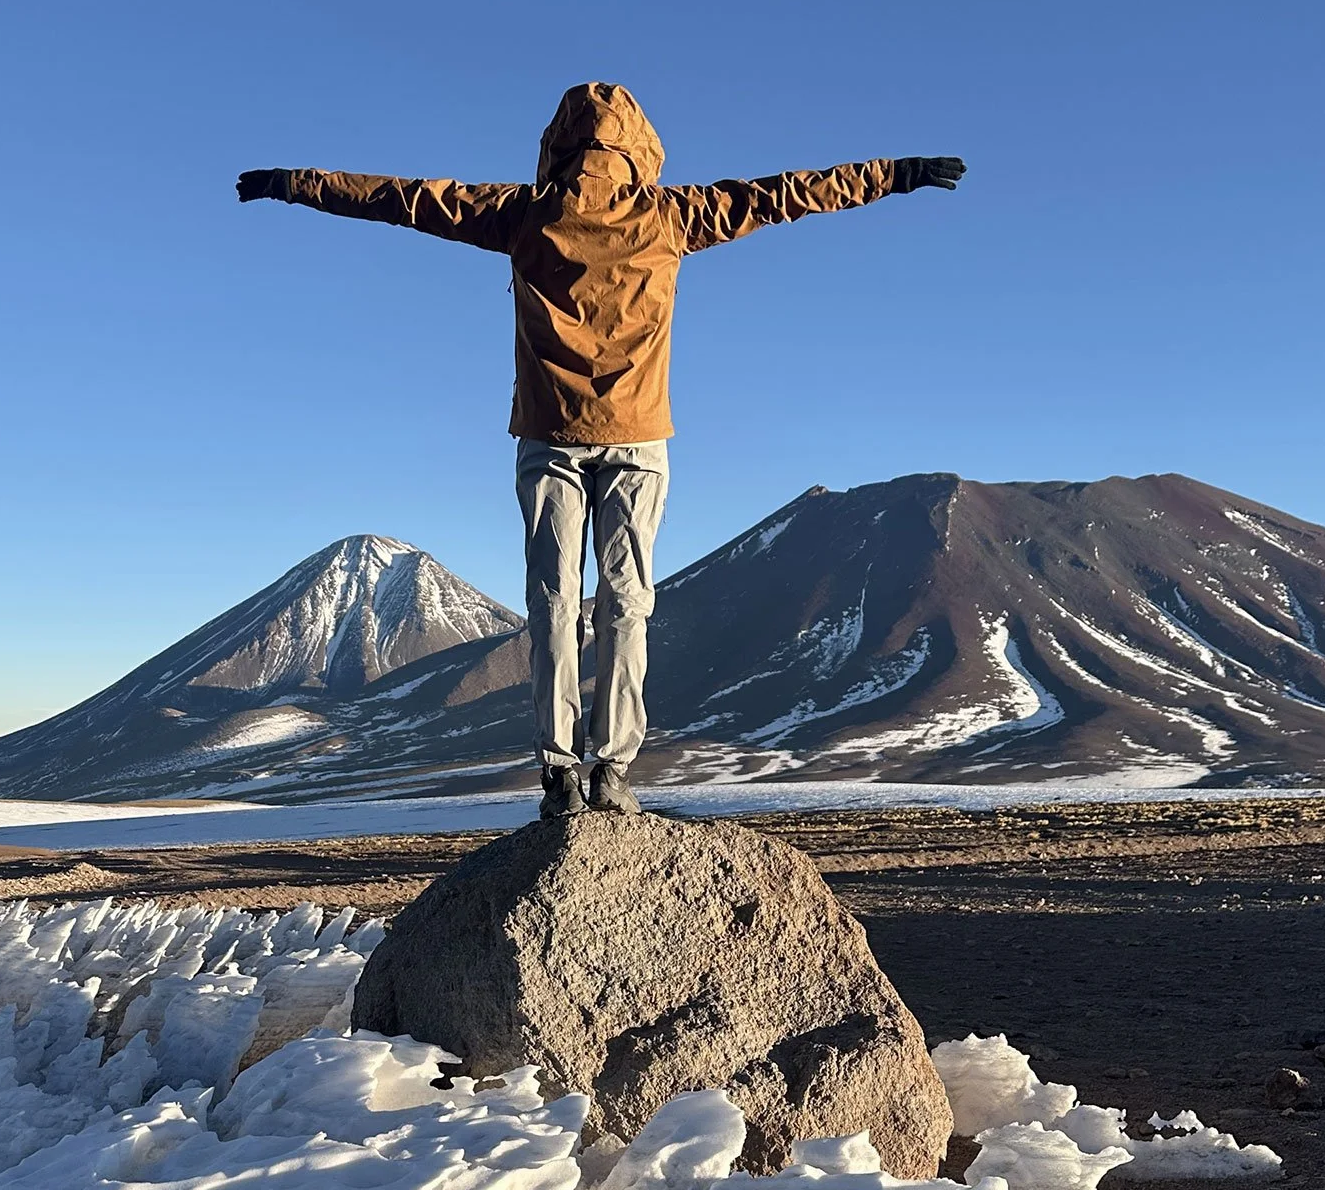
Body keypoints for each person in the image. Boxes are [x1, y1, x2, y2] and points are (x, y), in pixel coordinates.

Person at [238, 81, 964, 819]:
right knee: (627, 606)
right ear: (638, 146)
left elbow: (403, 198)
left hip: (549, 440)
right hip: (639, 439)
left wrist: (295, 185)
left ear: (558, 142)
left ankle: (557, 774)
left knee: (553, 604)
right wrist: (896, 173)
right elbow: (793, 193)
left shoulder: (519, 214)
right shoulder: (675, 215)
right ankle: (613, 769)